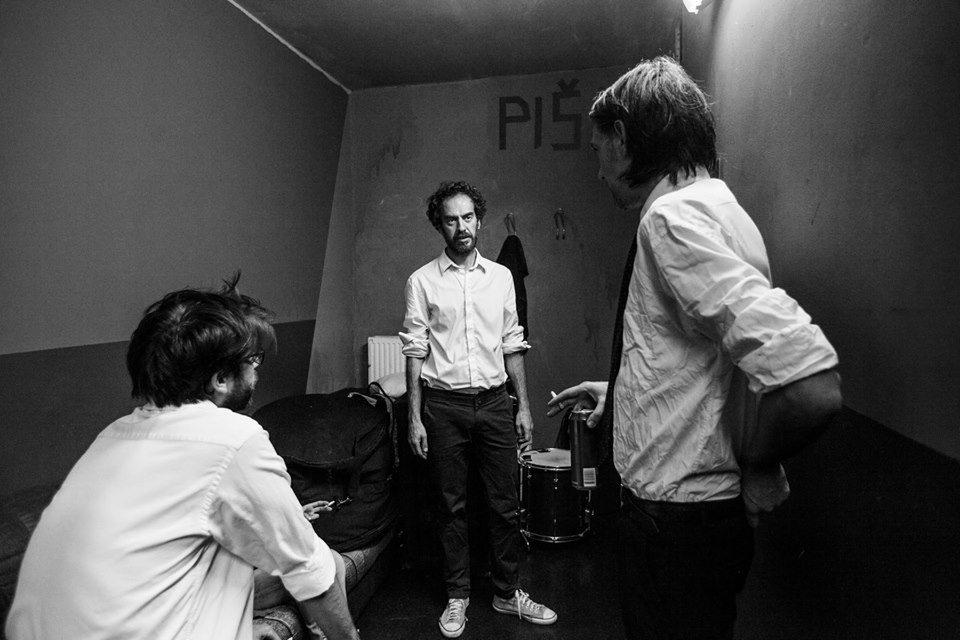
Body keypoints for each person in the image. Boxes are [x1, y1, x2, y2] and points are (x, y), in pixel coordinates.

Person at [547, 57, 842, 640]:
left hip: (674, 527)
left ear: (624, 140)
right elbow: (706, 359)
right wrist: (622, 388)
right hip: (695, 526)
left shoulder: (670, 221)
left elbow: (811, 386)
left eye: (598, 150)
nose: (598, 171)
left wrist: (761, 464)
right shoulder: (720, 208)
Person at [5, 275, 359, 640]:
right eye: (253, 359)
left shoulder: (113, 434)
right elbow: (313, 575)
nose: (256, 370)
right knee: (324, 562)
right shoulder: (233, 438)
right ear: (221, 378)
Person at [400, 181, 557, 638]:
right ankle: (457, 596)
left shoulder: (501, 278)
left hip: (494, 404)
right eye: (451, 220)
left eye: (468, 217)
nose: (461, 227)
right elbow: (415, 351)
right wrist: (414, 416)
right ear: (440, 226)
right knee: (450, 506)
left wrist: (523, 408)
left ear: (479, 219)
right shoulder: (421, 281)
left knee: (505, 503)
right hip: (443, 406)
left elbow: (512, 344)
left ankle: (508, 592)